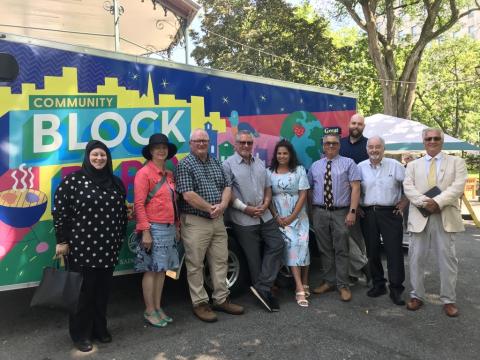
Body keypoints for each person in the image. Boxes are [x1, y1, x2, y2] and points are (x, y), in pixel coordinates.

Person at [53, 140, 127, 352]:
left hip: (108, 247)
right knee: (83, 293)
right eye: (95, 154)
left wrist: (119, 236)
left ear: (108, 158)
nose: (99, 158)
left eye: (103, 155)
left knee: (102, 292)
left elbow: (121, 211)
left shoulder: (115, 182)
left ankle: (99, 329)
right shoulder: (73, 181)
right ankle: (80, 334)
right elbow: (60, 212)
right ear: (87, 156)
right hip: (80, 248)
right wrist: (62, 241)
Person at [175, 129, 244, 322]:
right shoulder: (185, 164)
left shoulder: (216, 162)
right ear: (190, 143)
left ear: (208, 143)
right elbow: (187, 194)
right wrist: (210, 208)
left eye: (204, 140)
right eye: (197, 141)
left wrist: (222, 205)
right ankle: (200, 304)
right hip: (196, 221)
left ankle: (221, 299)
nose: (201, 144)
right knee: (195, 264)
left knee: (220, 260)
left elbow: (227, 186)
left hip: (217, 219)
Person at [403, 128, 467, 317]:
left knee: (448, 260)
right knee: (416, 259)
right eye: (428, 138)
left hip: (445, 215)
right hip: (419, 216)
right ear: (423, 141)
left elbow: (458, 187)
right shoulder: (413, 165)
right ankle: (417, 296)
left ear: (442, 140)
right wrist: (426, 203)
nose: (432, 141)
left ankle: (449, 300)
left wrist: (437, 202)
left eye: (436, 138)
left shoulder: (457, 162)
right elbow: (408, 187)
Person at [223, 130, 284, 312]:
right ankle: (265, 291)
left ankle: (263, 286)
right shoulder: (228, 165)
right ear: (235, 145)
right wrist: (245, 208)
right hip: (243, 218)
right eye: (242, 143)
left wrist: (266, 204)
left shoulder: (259, 163)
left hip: (264, 216)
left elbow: (267, 187)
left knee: (278, 244)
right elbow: (228, 191)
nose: (246, 146)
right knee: (253, 259)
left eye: (249, 143)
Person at [308, 133, 360, 302]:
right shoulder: (315, 166)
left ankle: (343, 285)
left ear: (339, 145)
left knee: (341, 249)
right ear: (323, 146)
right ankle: (328, 281)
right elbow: (309, 189)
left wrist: (352, 211)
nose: (331, 146)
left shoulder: (349, 163)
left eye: (334, 143)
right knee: (324, 248)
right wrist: (311, 212)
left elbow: (356, 188)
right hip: (320, 212)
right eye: (327, 143)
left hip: (341, 212)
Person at [134, 133, 179, 327]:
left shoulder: (169, 174)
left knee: (162, 270)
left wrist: (177, 226)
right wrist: (145, 231)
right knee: (151, 270)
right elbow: (138, 204)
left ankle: (158, 307)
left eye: (164, 147)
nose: (161, 150)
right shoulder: (144, 174)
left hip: (169, 227)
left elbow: (174, 202)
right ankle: (149, 310)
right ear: (151, 152)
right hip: (153, 228)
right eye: (157, 147)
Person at [358, 136, 408, 305]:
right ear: (367, 150)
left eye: (377, 147)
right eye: (371, 147)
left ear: (383, 149)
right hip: (368, 213)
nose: (374, 150)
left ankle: (396, 289)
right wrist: (356, 206)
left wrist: (403, 202)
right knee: (372, 251)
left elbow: (410, 185)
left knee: (394, 251)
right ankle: (378, 284)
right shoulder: (360, 167)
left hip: (390, 213)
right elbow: (355, 188)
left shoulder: (396, 166)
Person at [268, 139, 310, 307]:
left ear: (290, 154)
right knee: (293, 246)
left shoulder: (299, 170)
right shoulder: (269, 172)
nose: (282, 156)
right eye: (279, 153)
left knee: (304, 244)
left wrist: (293, 217)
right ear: (275, 155)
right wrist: (276, 216)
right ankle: (299, 287)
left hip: (298, 216)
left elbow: (303, 195)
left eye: (285, 153)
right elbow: (268, 197)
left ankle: (305, 281)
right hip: (280, 218)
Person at [339, 114, 370, 283]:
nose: (356, 126)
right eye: (353, 123)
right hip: (342, 200)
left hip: (362, 201)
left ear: (363, 127)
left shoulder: (368, 146)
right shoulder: (340, 144)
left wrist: (357, 204)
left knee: (358, 238)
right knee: (345, 237)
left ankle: (357, 273)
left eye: (359, 124)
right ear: (348, 124)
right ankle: (357, 270)